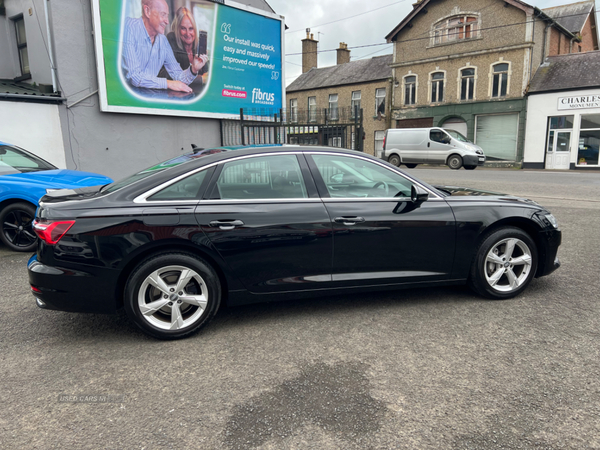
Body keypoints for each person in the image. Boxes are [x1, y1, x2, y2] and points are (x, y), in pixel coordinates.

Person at [121, 0, 208, 93]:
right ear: (147, 11)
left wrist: (193, 69)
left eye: (167, 15)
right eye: (163, 15)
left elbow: (178, 75)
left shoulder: (162, 41)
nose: (167, 21)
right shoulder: (128, 27)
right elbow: (134, 76)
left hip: (148, 98)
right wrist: (169, 83)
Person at [158, 7, 209, 81]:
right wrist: (200, 79)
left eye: (191, 28)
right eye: (183, 28)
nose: (188, 34)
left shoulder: (198, 43)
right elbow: (163, 75)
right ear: (177, 29)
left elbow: (207, 74)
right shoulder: (171, 40)